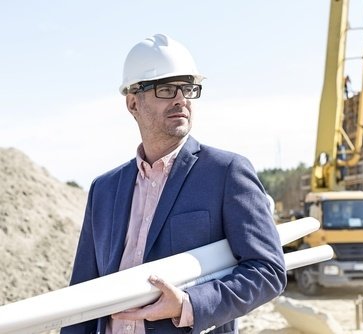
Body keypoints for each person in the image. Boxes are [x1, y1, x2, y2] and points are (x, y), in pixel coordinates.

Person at [60, 34, 286, 334]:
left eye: (188, 89)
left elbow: (268, 271)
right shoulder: (104, 189)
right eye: (166, 89)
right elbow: (83, 295)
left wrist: (189, 305)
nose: (181, 99)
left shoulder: (227, 173)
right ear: (132, 103)